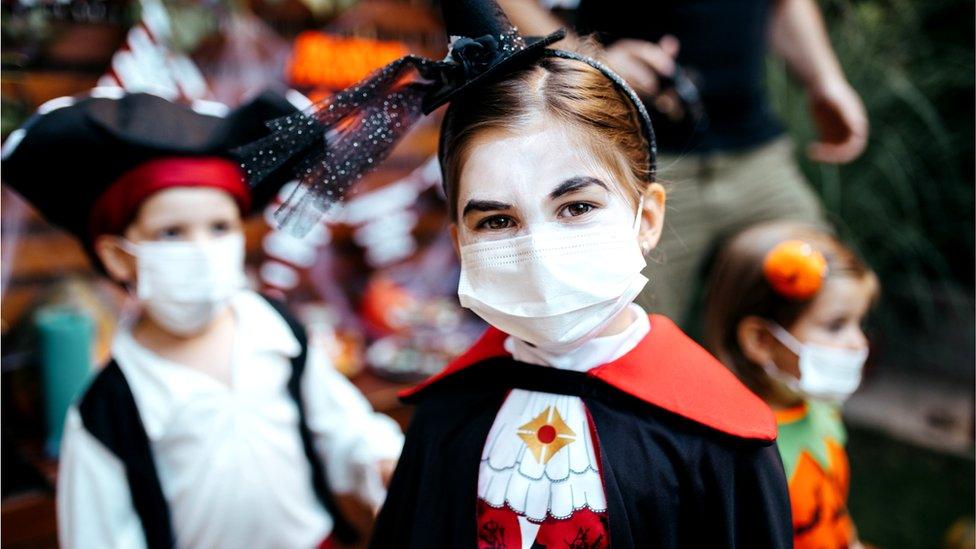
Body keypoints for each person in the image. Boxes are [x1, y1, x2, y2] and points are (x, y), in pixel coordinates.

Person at [240, 0, 792, 546]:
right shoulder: (444, 420)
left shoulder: (718, 438)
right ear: (460, 240)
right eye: (498, 220)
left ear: (646, 218)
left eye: (576, 207)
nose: (540, 250)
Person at [1, 90, 404, 549]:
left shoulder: (277, 332)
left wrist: (380, 458)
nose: (202, 250)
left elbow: (342, 427)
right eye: (171, 232)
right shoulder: (108, 408)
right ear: (118, 257)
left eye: (219, 227)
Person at [498, 0, 869, 325]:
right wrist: (587, 57)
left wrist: (825, 80)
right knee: (630, 337)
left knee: (818, 300)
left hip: (756, 155)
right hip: (637, 165)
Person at [703, 220, 879, 549]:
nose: (859, 342)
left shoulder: (822, 408)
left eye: (860, 322)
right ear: (760, 340)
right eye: (836, 325)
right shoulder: (738, 455)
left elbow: (831, 507)